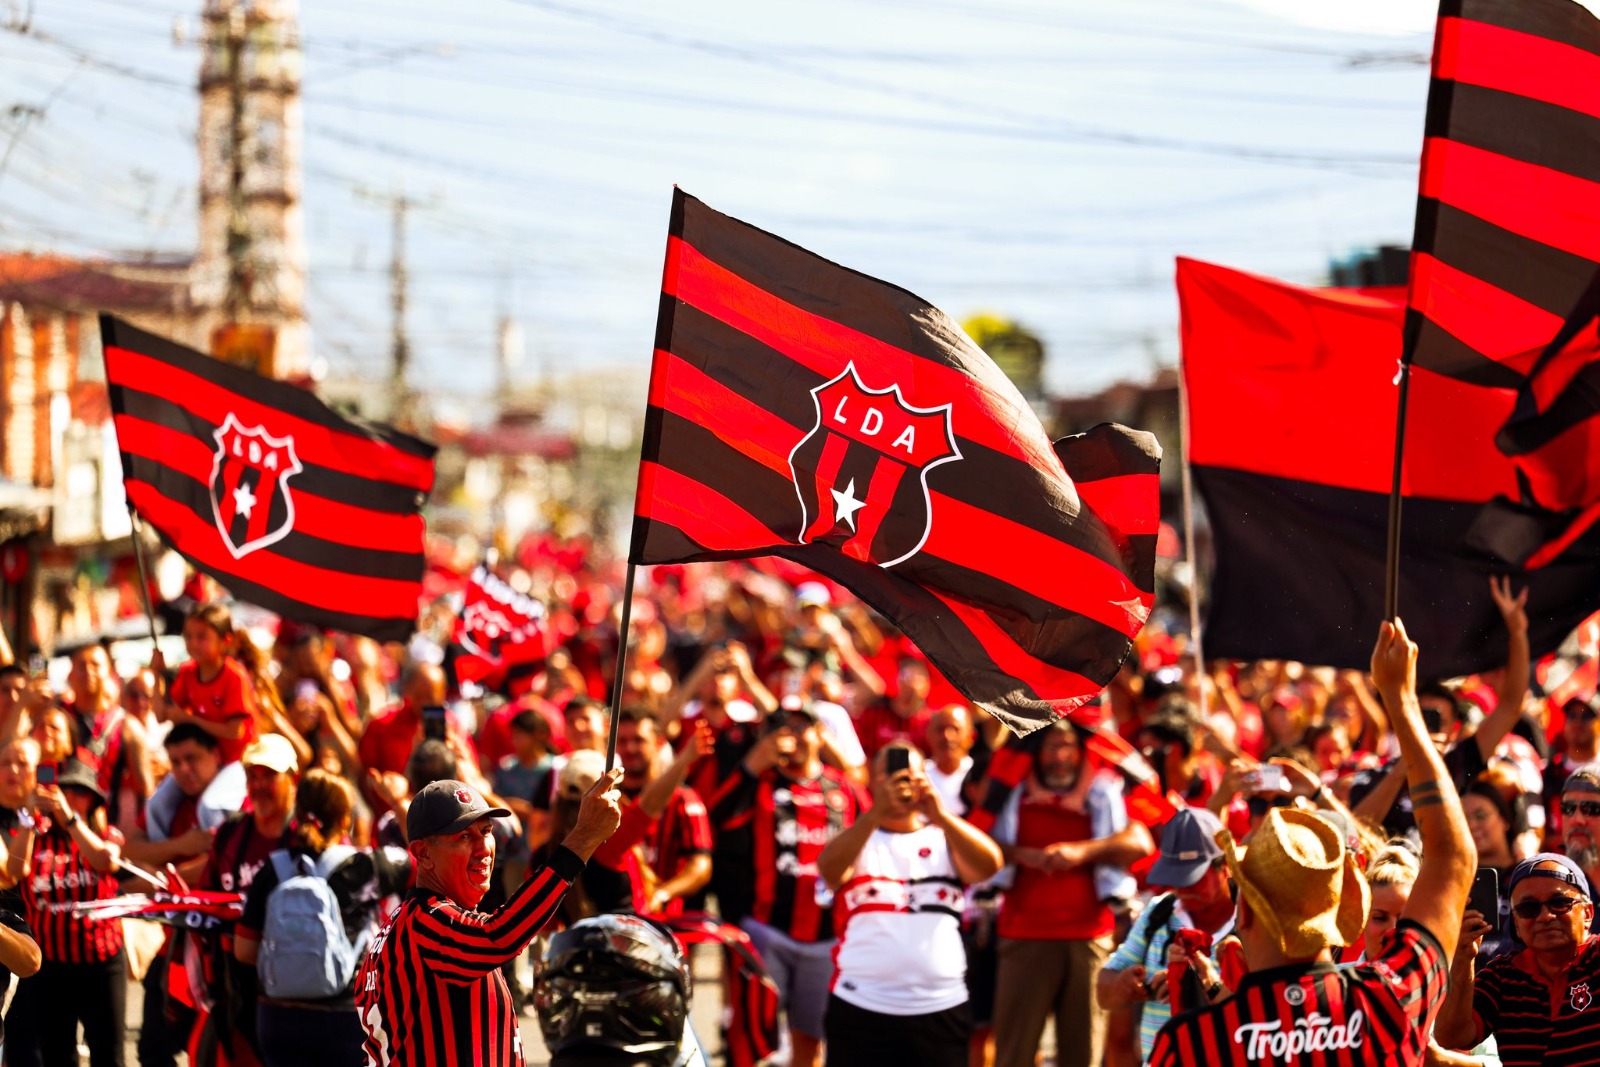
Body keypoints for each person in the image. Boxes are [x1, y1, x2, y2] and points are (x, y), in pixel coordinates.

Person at [1147, 617, 1476, 1067]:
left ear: (1245, 914)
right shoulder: (1390, 1000)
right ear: (1341, 911)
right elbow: (1453, 857)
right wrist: (1401, 702)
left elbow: (1451, 858)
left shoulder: (1193, 1043)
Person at [354, 771, 623, 1067]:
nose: (483, 848)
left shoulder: (410, 924)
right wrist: (582, 838)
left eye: (486, 831)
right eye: (464, 836)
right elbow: (499, 936)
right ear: (423, 853)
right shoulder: (426, 921)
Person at [816, 741, 1002, 1067]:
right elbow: (829, 871)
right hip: (861, 1004)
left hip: (940, 1007)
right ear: (874, 782)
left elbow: (989, 865)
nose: (901, 784)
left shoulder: (944, 837)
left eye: (911, 776)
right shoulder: (858, 838)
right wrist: (875, 813)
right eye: (890, 776)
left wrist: (940, 814)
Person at [988, 720, 1155, 1067]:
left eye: (1068, 746)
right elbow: (979, 843)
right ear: (1036, 750)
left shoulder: (1102, 791)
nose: (1060, 756)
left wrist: (1082, 851)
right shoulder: (1011, 791)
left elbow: (1140, 843)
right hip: (1023, 938)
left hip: (1089, 941)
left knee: (1084, 1057)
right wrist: (1023, 855)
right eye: (1052, 746)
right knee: (1013, 1055)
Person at [712, 702, 869, 1067]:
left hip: (827, 938)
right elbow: (718, 818)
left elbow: (872, 835)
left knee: (810, 1039)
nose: (792, 736)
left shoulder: (844, 787)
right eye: (782, 729)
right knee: (749, 1038)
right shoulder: (759, 782)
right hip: (768, 933)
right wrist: (754, 762)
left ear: (820, 734)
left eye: (801, 727)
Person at [235, 770, 410, 1067]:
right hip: (346, 1015)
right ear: (345, 819)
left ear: (297, 814)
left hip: (277, 1018)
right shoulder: (368, 866)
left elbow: (244, 950)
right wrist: (397, 802)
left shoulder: (272, 870)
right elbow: (425, 858)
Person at [8, 758, 127, 1067]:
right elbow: (15, 870)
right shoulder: (36, 836)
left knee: (109, 1056)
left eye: (79, 792)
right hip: (51, 967)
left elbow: (106, 861)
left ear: (93, 800)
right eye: (64, 790)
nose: (69, 796)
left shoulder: (106, 834)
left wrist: (69, 817)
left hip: (101, 963)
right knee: (58, 1057)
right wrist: (29, 817)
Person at [1096, 808, 1235, 1064]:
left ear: (1225, 867)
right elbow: (1104, 989)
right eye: (1176, 877)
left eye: (1193, 877)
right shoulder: (1158, 913)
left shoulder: (1252, 921)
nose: (1183, 888)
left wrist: (1201, 986)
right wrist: (1126, 986)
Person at [1435, 854, 1600, 1065]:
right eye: (1528, 908)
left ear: (1588, 913)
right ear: (1516, 924)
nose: (1545, 916)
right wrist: (1462, 958)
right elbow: (1451, 1037)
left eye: (1559, 903)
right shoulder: (1501, 977)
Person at [615, 707, 713, 916]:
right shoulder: (609, 797)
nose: (630, 748)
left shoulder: (683, 798)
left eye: (639, 740)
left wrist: (662, 894)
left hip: (666, 922)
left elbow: (701, 866)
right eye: (622, 741)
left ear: (659, 743)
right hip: (616, 916)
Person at [155, 602, 261, 764]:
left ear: (225, 641)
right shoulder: (187, 671)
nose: (193, 643)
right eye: (188, 636)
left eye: (202, 637)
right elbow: (162, 715)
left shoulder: (234, 676)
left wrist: (190, 720)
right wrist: (157, 675)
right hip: (207, 762)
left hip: (238, 760)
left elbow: (235, 731)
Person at [925, 703, 977, 812]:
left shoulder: (981, 779)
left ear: (971, 736)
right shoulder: (918, 778)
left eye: (956, 729)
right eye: (940, 729)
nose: (947, 736)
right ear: (928, 734)